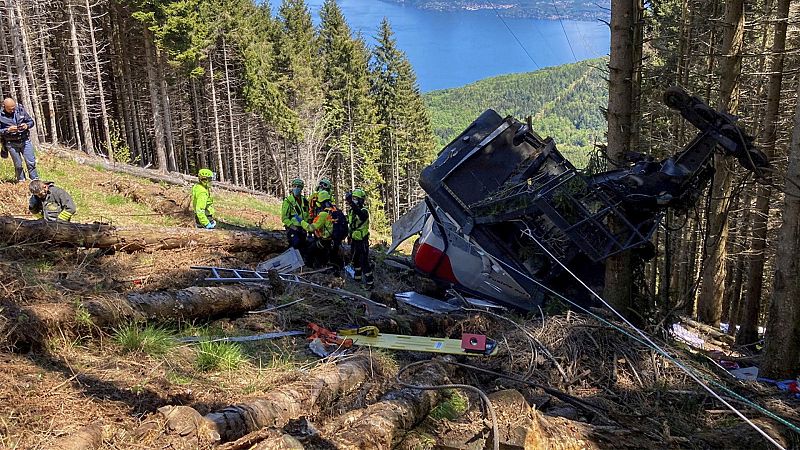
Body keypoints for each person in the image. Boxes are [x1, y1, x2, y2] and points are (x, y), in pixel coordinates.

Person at [0, 97, 38, 182]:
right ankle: (21, 181)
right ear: (4, 107)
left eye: (13, 108)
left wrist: (26, 126)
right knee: (18, 165)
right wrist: (8, 130)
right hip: (11, 143)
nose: (12, 110)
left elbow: (31, 122)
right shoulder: (0, 115)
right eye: (10, 109)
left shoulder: (20, 110)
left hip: (25, 140)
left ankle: (35, 180)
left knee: (31, 162)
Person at [347, 188, 373, 288]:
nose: (354, 200)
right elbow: (350, 224)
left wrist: (351, 203)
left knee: (364, 262)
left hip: (362, 241)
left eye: (356, 199)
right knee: (355, 260)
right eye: (353, 198)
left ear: (361, 200)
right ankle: (357, 279)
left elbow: (361, 216)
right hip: (354, 240)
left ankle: (370, 283)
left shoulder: (364, 211)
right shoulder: (351, 211)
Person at [303, 190, 337, 268]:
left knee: (310, 251)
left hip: (324, 240)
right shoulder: (334, 210)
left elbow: (311, 228)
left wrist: (301, 222)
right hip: (332, 240)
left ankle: (309, 268)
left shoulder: (323, 214)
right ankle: (323, 266)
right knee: (322, 255)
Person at [281, 178, 310, 250]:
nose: (296, 188)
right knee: (295, 244)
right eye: (294, 186)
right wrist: (293, 227)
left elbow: (307, 214)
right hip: (293, 228)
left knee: (303, 247)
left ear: (301, 188)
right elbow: (284, 218)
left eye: (298, 186)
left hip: (303, 228)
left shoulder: (305, 200)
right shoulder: (288, 201)